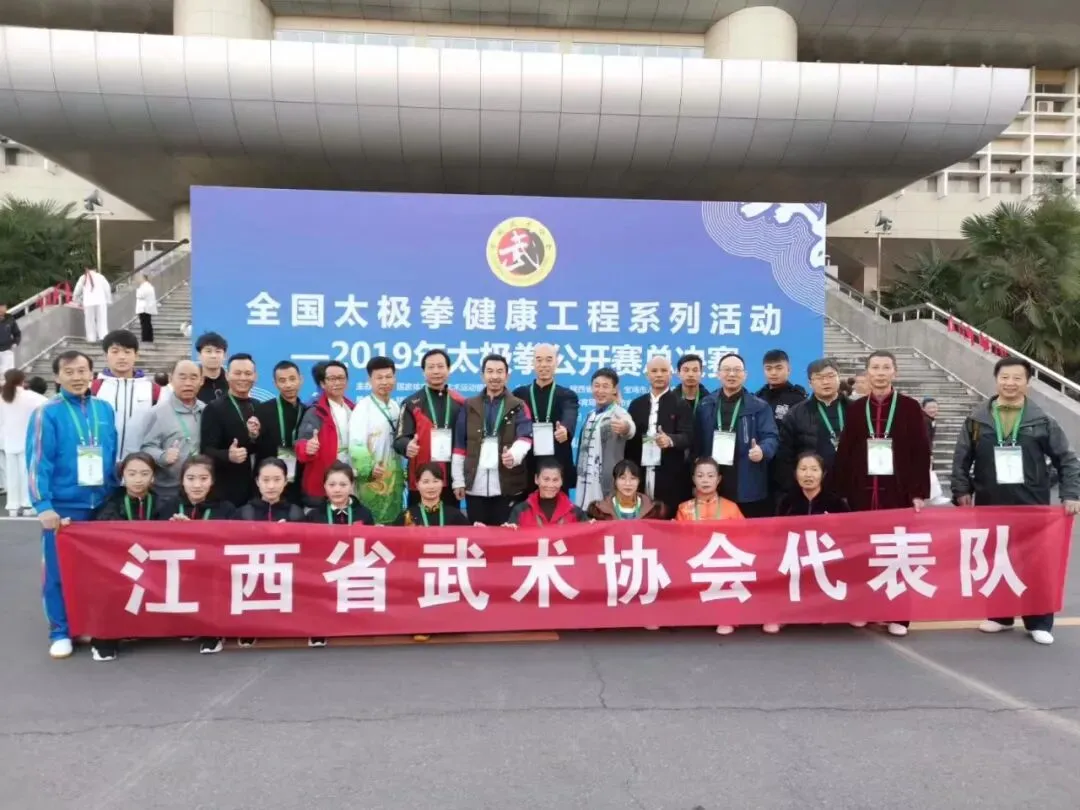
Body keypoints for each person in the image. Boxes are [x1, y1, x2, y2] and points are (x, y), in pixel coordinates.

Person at [951, 356, 1080, 646]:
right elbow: (961, 458)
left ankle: (1039, 622)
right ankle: (1000, 616)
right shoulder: (977, 420)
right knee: (995, 559)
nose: (1010, 383)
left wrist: (1072, 493)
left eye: (1017, 378)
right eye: (1005, 377)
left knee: (1035, 564)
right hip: (990, 501)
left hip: (1031, 504)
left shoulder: (1042, 420)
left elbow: (1067, 459)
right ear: (997, 380)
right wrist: (961, 490)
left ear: (1027, 383)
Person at [27, 350, 119, 659]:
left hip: (101, 504)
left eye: (82, 370)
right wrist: (43, 505)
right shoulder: (47, 413)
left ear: (92, 373)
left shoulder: (104, 409)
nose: (77, 377)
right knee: (58, 571)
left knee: (96, 572)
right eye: (69, 371)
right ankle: (60, 631)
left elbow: (110, 452)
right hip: (65, 506)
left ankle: (88, 624)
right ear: (57, 376)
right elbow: (38, 463)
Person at [833, 350, 931, 638]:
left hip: (897, 492)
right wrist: (839, 492)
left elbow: (920, 452)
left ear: (894, 372)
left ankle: (899, 615)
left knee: (896, 553)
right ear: (867, 373)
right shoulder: (856, 408)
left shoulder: (910, 407)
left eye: (885, 367)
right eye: (874, 367)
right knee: (862, 554)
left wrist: (918, 493)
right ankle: (864, 607)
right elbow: (845, 452)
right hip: (862, 492)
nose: (879, 372)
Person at [156, 455, 236, 655]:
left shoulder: (226, 509)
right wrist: (173, 530)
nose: (197, 485)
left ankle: (213, 632)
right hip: (179, 571)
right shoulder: (169, 507)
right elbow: (155, 542)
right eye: (190, 478)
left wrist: (197, 529)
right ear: (182, 480)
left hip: (213, 569)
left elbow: (233, 542)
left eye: (203, 478)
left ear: (212, 481)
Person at [90, 451, 162, 661]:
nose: (138, 479)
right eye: (132, 474)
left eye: (144, 474)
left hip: (153, 564)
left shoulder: (162, 503)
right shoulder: (111, 503)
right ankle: (105, 638)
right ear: (123, 476)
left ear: (153, 477)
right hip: (120, 565)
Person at [693, 353, 779, 518]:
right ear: (718, 374)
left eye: (737, 370)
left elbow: (771, 437)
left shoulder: (759, 406)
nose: (731, 374)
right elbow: (696, 443)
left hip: (746, 477)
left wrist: (762, 450)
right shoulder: (706, 404)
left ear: (745, 375)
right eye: (726, 370)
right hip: (712, 478)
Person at [451, 353, 533, 526]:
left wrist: (514, 455)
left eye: (499, 371)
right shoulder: (469, 405)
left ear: (507, 376)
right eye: (490, 371)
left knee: (505, 536)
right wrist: (458, 480)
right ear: (482, 376)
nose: (495, 376)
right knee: (477, 537)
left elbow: (525, 436)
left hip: (507, 487)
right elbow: (459, 446)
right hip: (474, 488)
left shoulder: (518, 405)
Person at [674, 458, 746, 634]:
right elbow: (678, 542)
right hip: (694, 561)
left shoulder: (731, 507)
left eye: (710, 476)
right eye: (700, 476)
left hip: (723, 563)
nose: (705, 480)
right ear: (693, 479)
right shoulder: (684, 508)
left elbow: (745, 538)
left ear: (718, 479)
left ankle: (726, 617)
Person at [394, 348, 465, 507]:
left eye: (440, 366)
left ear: (449, 369)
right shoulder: (411, 403)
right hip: (422, 479)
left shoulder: (460, 403)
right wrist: (407, 446)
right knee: (417, 521)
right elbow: (399, 439)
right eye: (431, 367)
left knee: (450, 520)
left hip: (451, 477)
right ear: (423, 372)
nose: (436, 371)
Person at [624, 355, 692, 516]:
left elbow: (689, 437)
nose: (659, 375)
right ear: (647, 375)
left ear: (671, 374)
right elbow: (630, 443)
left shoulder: (681, 404)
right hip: (640, 473)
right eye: (654, 371)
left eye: (663, 370)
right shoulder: (636, 405)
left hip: (670, 475)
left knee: (667, 517)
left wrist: (670, 440)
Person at [511, 343, 579, 494]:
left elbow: (570, 414)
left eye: (549, 360)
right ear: (533, 363)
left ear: (556, 362)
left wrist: (565, 430)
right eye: (539, 360)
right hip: (527, 464)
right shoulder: (519, 395)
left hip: (557, 464)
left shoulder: (567, 395)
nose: (543, 365)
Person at [775, 358, 849, 496]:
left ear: (839, 378)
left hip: (849, 485)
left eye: (830, 376)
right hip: (811, 488)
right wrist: (795, 489)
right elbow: (785, 457)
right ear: (810, 383)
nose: (825, 382)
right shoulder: (796, 414)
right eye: (819, 378)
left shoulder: (855, 409)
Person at [199, 353, 261, 507]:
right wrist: (228, 455)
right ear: (227, 375)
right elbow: (206, 450)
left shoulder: (258, 406)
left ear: (255, 376)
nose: (243, 378)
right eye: (237, 373)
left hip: (256, 489)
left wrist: (254, 437)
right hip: (226, 491)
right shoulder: (214, 408)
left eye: (248, 373)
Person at [349, 356, 405, 524]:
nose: (384, 382)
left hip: (394, 475)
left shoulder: (396, 406)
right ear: (370, 380)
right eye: (379, 378)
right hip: (373, 478)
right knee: (372, 522)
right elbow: (356, 444)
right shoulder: (363, 408)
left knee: (394, 521)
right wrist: (369, 468)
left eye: (388, 377)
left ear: (395, 378)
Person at [141, 360, 204, 500]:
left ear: (202, 380)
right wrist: (162, 456)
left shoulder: (206, 410)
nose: (188, 383)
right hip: (168, 491)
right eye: (182, 377)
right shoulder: (157, 412)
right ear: (171, 379)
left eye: (193, 377)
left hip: (199, 489)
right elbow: (146, 447)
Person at [91, 329, 160, 458]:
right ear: (106, 355)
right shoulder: (93, 388)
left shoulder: (153, 390)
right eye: (115, 351)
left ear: (136, 355)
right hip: (100, 462)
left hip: (140, 464)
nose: (122, 357)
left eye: (127, 352)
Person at [296, 360, 355, 507]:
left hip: (349, 480)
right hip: (322, 483)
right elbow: (301, 444)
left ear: (347, 382)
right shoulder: (315, 411)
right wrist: (307, 448)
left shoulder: (354, 409)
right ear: (322, 383)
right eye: (331, 379)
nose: (337, 383)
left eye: (341, 378)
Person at [574, 368, 635, 509]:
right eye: (596, 386)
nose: (600, 390)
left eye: (605, 386)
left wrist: (625, 427)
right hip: (584, 480)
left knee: (604, 514)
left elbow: (630, 429)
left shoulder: (619, 413)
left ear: (614, 390)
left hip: (605, 481)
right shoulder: (590, 414)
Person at [255, 360, 307, 505]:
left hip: (299, 480)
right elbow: (254, 444)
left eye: (292, 379)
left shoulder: (307, 411)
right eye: (282, 380)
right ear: (275, 383)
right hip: (269, 481)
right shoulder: (262, 410)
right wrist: (253, 435)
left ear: (301, 380)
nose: (288, 385)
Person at [1, 369, 48, 516]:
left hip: (8, 441)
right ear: (23, 380)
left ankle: (13, 506)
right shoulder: (31, 397)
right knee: (26, 473)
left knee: (11, 475)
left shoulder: (2, 397)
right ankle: (27, 504)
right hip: (27, 440)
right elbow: (47, 404)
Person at [508, 459, 589, 526]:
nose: (550, 485)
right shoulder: (520, 511)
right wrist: (507, 531)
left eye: (555, 480)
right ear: (536, 479)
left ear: (561, 481)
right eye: (546, 479)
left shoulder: (575, 512)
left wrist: (592, 527)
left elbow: (588, 535)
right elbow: (511, 538)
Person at [395, 462, 471, 526]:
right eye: (425, 482)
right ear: (417, 485)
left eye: (435, 481)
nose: (431, 486)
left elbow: (470, 534)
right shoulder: (407, 516)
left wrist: (476, 529)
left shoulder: (454, 515)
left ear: (442, 483)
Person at [775, 452, 851, 516]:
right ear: (795, 474)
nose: (808, 474)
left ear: (823, 474)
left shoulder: (837, 504)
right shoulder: (786, 503)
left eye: (814, 469)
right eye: (803, 469)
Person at [587, 459, 666, 520]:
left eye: (633, 478)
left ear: (639, 481)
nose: (628, 483)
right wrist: (592, 526)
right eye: (622, 478)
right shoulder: (599, 511)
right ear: (614, 481)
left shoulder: (653, 511)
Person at [303, 462, 376, 526]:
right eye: (332, 485)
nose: (337, 490)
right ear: (325, 486)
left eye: (343, 484)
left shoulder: (364, 514)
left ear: (352, 485)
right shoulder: (314, 516)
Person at [238, 458, 305, 522]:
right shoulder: (244, 514)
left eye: (277, 479)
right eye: (266, 480)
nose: (271, 486)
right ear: (257, 481)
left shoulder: (295, 514)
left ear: (285, 481)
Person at [756, 349, 807, 423]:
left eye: (779, 368)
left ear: (788, 370)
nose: (773, 373)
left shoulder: (798, 399)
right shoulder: (758, 397)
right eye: (768, 369)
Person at [73, 267, 112, 343]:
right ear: (95, 269)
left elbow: (78, 289)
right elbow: (107, 288)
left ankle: (91, 338)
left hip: (88, 302)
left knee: (89, 321)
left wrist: (75, 298)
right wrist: (108, 299)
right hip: (100, 301)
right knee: (102, 319)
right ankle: (103, 336)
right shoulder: (100, 277)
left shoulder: (83, 277)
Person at [195, 331, 230, 403]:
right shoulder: (191, 381)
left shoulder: (231, 381)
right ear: (199, 355)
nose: (213, 356)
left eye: (218, 351)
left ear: (225, 356)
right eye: (208, 351)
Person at [134, 273, 157, 344]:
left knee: (145, 324)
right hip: (147, 308)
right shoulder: (148, 286)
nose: (138, 279)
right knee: (147, 323)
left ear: (143, 278)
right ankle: (149, 338)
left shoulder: (145, 286)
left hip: (144, 308)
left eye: (139, 278)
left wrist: (138, 290)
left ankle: (146, 338)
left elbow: (140, 295)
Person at [0, 302, 21, 376]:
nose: (2, 310)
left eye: (4, 308)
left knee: (9, 373)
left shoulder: (10, 319)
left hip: (7, 349)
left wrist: (15, 343)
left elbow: (17, 333)